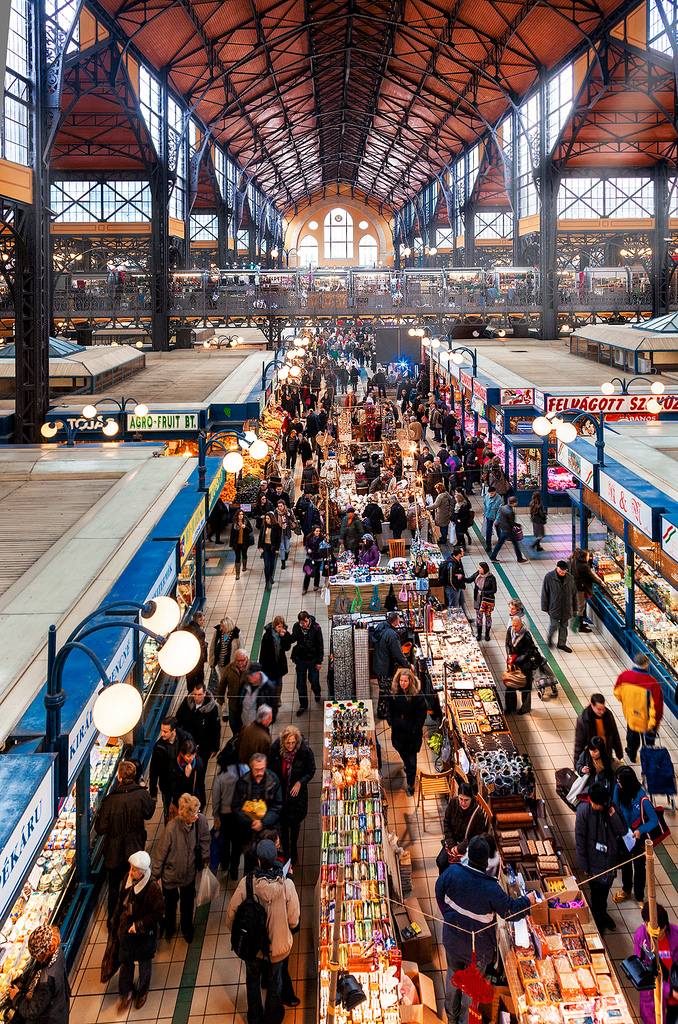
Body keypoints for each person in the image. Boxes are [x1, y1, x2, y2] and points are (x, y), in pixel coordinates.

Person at [436, 836, 535, 1024]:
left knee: (452, 977)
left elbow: (439, 893)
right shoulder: (491, 888)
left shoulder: (452, 873)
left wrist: (448, 917)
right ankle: (465, 1021)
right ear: (485, 861)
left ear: (468, 855)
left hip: (453, 940)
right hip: (477, 950)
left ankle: (451, 1017)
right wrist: (528, 901)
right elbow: (511, 911)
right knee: (471, 989)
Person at [225, 839, 300, 1024]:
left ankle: (255, 1017)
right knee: (276, 981)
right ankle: (273, 1017)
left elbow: (230, 917)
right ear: (276, 858)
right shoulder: (286, 886)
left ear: (258, 860)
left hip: (253, 947)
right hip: (278, 946)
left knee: (252, 980)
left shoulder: (247, 884)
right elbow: (294, 919)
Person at [95, 760, 155, 925]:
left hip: (114, 852)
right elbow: (149, 813)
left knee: (114, 886)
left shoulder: (109, 801)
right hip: (134, 848)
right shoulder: (142, 795)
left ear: (119, 777)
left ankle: (112, 919)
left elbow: (100, 828)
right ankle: (132, 916)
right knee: (135, 882)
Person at [110, 851, 165, 1012]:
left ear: (142, 872)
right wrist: (116, 922)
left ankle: (142, 992)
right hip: (127, 931)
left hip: (144, 935)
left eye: (134, 870)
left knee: (144, 964)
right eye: (131, 868)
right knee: (126, 962)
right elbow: (120, 903)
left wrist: (139, 925)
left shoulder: (152, 888)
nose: (130, 872)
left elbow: (158, 911)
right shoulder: (127, 882)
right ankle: (126, 992)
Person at [152, 793, 209, 943]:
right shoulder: (171, 829)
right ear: (184, 817)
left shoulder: (201, 821)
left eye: (197, 812)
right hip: (171, 875)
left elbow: (204, 839)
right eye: (193, 815)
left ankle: (187, 928)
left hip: (189, 873)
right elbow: (161, 853)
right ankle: (170, 927)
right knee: (170, 904)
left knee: (187, 904)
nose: (196, 816)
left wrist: (205, 856)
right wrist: (155, 875)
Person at [575, 781, 626, 933]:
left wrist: (613, 816)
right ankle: (599, 925)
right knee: (596, 896)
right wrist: (583, 865)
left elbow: (623, 831)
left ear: (604, 802)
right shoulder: (584, 810)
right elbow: (580, 838)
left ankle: (602, 915)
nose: (593, 806)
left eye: (596, 804)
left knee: (603, 894)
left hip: (609, 862)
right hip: (593, 862)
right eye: (592, 802)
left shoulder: (613, 809)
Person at [268, 725, 317, 864]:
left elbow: (311, 770)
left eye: (293, 743)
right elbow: (271, 770)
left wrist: (300, 782)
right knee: (282, 827)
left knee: (294, 827)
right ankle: (286, 852)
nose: (290, 746)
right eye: (288, 743)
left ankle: (293, 850)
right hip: (281, 797)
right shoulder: (276, 752)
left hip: (297, 799)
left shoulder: (305, 752)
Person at [612, 765, 659, 905]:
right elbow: (615, 806)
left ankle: (639, 896)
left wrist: (640, 830)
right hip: (624, 833)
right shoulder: (618, 788)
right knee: (626, 863)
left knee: (639, 866)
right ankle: (626, 890)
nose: (618, 784)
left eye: (620, 781)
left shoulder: (642, 798)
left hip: (638, 836)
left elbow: (654, 821)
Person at [8, 925, 70, 1024]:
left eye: (36, 957)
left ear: (44, 955)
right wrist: (22, 980)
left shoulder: (45, 982)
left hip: (49, 1020)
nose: (35, 959)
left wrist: (17, 997)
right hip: (59, 1007)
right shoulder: (55, 950)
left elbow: (31, 1012)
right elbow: (37, 966)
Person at [614, 652, 664, 763]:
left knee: (632, 738)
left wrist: (627, 704)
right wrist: (653, 725)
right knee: (648, 744)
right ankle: (647, 762)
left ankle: (631, 755)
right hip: (647, 722)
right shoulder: (652, 683)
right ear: (646, 665)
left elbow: (617, 693)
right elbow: (657, 708)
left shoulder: (624, 676)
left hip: (631, 716)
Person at [386, 667, 428, 796]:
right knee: (403, 753)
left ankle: (410, 783)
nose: (402, 683)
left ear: (410, 681)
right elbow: (389, 709)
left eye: (405, 681)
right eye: (401, 680)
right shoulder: (394, 693)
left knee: (411, 760)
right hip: (398, 732)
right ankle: (407, 766)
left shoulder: (417, 695)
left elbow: (422, 713)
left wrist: (415, 727)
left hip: (411, 735)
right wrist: (391, 720)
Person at [634, 904, 678, 1024]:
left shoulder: (675, 935)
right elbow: (644, 973)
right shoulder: (641, 937)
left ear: (663, 927)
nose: (647, 928)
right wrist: (670, 992)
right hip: (655, 998)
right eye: (646, 923)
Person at [232, 753, 283, 852]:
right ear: (251, 768)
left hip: (269, 829)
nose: (259, 772)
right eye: (256, 769)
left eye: (262, 769)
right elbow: (236, 806)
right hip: (248, 831)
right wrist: (251, 822)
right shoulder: (243, 782)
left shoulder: (273, 780)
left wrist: (263, 822)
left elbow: (277, 805)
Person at [436, 782, 489, 874]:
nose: (463, 803)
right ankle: (445, 883)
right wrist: (452, 845)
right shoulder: (453, 803)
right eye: (461, 799)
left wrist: (460, 847)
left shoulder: (478, 814)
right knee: (441, 862)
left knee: (460, 872)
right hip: (452, 841)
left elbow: (477, 837)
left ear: (471, 798)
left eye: (466, 800)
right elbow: (447, 823)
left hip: (468, 847)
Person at [175, 682, 221, 783]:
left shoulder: (211, 708)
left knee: (200, 775)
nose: (196, 697)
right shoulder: (187, 703)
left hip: (203, 746)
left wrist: (215, 747)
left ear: (204, 694)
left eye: (199, 695)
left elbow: (216, 728)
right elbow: (178, 718)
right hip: (188, 745)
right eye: (195, 694)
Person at [149, 717, 192, 823]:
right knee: (169, 813)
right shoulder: (159, 747)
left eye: (165, 731)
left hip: (183, 784)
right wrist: (153, 792)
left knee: (185, 811)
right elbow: (154, 770)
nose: (162, 734)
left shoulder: (186, 739)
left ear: (173, 731)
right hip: (167, 786)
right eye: (162, 731)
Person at [212, 742, 245, 881]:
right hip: (239, 814)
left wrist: (216, 815)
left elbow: (215, 797)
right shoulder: (243, 769)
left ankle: (224, 864)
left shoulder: (220, 774)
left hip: (225, 815)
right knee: (237, 843)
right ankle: (234, 870)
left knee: (225, 840)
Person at [371, 611, 409, 719]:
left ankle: (384, 709)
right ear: (396, 622)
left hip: (378, 663)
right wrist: (407, 664)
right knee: (385, 691)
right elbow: (398, 654)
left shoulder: (380, 627)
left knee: (383, 688)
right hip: (385, 667)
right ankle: (381, 712)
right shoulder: (392, 635)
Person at [574, 694, 623, 766]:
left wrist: (619, 754)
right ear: (592, 705)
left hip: (606, 754)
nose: (602, 712)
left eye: (603, 709)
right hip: (593, 759)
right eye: (599, 709)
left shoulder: (608, 715)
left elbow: (615, 734)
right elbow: (579, 744)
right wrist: (578, 765)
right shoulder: (584, 721)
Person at [505, 615, 540, 715]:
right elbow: (507, 643)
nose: (514, 628)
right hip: (512, 664)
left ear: (521, 624)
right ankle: (510, 707)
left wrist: (515, 660)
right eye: (513, 625)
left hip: (524, 666)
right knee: (510, 686)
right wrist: (509, 655)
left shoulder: (526, 636)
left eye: (516, 626)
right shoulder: (510, 631)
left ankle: (525, 708)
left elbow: (528, 653)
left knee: (525, 688)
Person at [290, 610, 324, 716]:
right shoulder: (296, 626)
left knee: (314, 680)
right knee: (301, 684)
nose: (304, 625)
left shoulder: (316, 628)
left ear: (308, 619)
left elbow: (320, 645)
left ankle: (317, 691)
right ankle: (303, 705)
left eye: (305, 622)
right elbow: (293, 638)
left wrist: (319, 661)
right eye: (302, 623)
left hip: (313, 660)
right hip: (300, 659)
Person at [541, 559, 577, 652]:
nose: (563, 573)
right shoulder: (549, 577)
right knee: (554, 625)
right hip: (554, 606)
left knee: (564, 626)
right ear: (556, 568)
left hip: (567, 606)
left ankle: (562, 644)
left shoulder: (570, 578)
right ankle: (550, 639)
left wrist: (575, 608)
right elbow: (545, 593)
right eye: (561, 571)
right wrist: (545, 607)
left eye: (564, 571)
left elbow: (574, 594)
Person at [235, 663, 279, 732]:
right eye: (248, 675)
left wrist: (267, 722)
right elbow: (239, 701)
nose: (249, 677)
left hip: (259, 727)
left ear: (259, 673)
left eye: (252, 675)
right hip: (244, 723)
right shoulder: (245, 684)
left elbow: (274, 708)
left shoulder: (269, 688)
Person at [259, 616, 292, 702]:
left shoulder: (285, 634)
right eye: (279, 627)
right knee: (272, 682)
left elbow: (287, 647)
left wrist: (283, 637)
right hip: (270, 665)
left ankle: (278, 697)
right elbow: (263, 652)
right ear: (274, 626)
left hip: (280, 664)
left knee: (279, 682)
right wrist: (261, 666)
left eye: (282, 626)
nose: (280, 629)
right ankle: (273, 698)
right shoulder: (267, 636)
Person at [168, 738, 206, 809]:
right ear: (182, 755)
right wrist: (186, 777)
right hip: (183, 804)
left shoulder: (198, 763)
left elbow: (201, 784)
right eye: (188, 756)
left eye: (193, 755)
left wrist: (203, 802)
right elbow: (175, 790)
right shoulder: (174, 767)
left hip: (196, 801)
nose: (191, 758)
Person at [219, 648, 251, 729]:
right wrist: (220, 698)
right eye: (237, 660)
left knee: (246, 727)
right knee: (234, 725)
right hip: (233, 703)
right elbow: (222, 684)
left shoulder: (252, 668)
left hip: (247, 705)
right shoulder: (229, 668)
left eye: (242, 660)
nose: (239, 663)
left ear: (246, 658)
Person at [490, 496, 527, 563]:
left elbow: (500, 518)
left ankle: (493, 556)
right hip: (508, 530)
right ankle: (520, 558)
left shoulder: (503, 508)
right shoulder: (510, 512)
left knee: (500, 543)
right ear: (513, 503)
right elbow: (511, 522)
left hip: (503, 529)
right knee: (515, 544)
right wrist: (518, 525)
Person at [568, 548, 597, 632]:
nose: (589, 557)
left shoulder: (575, 562)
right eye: (588, 556)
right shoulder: (584, 566)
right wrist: (601, 582)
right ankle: (580, 626)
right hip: (579, 588)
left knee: (578, 606)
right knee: (580, 607)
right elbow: (591, 577)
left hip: (574, 587)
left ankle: (579, 623)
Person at [468, 561, 497, 642]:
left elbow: (494, 590)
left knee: (488, 617)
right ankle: (479, 634)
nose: (478, 569)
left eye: (480, 568)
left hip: (487, 600)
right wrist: (461, 577)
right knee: (479, 617)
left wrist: (483, 592)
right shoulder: (477, 575)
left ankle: (487, 634)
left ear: (484, 569)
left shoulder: (491, 578)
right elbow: (469, 579)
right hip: (478, 600)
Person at [209, 615, 242, 680]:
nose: (221, 628)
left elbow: (241, 650)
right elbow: (213, 646)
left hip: (231, 664)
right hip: (220, 663)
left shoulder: (237, 635)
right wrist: (212, 661)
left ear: (228, 627)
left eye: (223, 626)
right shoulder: (218, 632)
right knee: (223, 679)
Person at [441, 546, 469, 616]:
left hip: (458, 586)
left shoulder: (458, 560)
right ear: (459, 554)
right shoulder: (451, 564)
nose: (463, 552)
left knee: (462, 602)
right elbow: (450, 579)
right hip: (453, 588)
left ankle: (465, 617)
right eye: (462, 552)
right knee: (454, 606)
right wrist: (455, 588)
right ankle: (452, 619)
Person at [258, 511, 281, 591]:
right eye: (266, 519)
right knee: (266, 564)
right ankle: (267, 581)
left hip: (273, 547)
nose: (267, 520)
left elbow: (278, 539)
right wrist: (259, 547)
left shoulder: (277, 527)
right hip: (265, 547)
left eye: (268, 518)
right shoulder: (264, 526)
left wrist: (277, 549)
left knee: (271, 564)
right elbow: (261, 536)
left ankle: (270, 575)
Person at [184, 610, 207, 691]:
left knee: (190, 680)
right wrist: (205, 644)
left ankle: (190, 693)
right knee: (198, 680)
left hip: (187, 660)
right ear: (198, 621)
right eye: (203, 620)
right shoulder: (200, 632)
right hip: (197, 661)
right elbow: (200, 647)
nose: (203, 622)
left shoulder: (185, 628)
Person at [230, 509, 254, 580]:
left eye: (242, 514)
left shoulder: (246, 522)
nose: (241, 516)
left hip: (244, 543)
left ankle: (244, 566)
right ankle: (237, 573)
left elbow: (250, 530)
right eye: (239, 514)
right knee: (237, 557)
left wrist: (244, 527)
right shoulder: (234, 524)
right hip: (236, 544)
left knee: (244, 554)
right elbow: (232, 534)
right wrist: (231, 544)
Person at [302, 525, 325, 594]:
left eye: (319, 531)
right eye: (316, 531)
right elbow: (306, 545)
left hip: (318, 557)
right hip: (310, 557)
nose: (318, 532)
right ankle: (305, 588)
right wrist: (308, 549)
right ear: (313, 531)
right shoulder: (309, 537)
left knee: (317, 571)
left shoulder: (322, 538)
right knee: (308, 572)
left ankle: (316, 585)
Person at [276, 499, 297, 570]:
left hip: (286, 532)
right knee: (281, 548)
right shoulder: (276, 512)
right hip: (279, 533)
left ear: (284, 506)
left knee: (287, 547)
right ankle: (283, 563)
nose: (279, 508)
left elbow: (293, 520)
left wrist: (289, 515)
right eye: (278, 506)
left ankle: (287, 553)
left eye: (281, 506)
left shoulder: (288, 511)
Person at [482, 485, 503, 552]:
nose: (490, 495)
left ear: (495, 492)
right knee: (488, 531)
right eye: (490, 493)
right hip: (489, 516)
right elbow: (485, 504)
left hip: (496, 517)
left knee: (498, 530)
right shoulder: (487, 497)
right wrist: (485, 513)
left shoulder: (499, 499)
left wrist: (496, 520)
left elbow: (499, 511)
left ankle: (500, 542)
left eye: (492, 493)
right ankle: (488, 545)